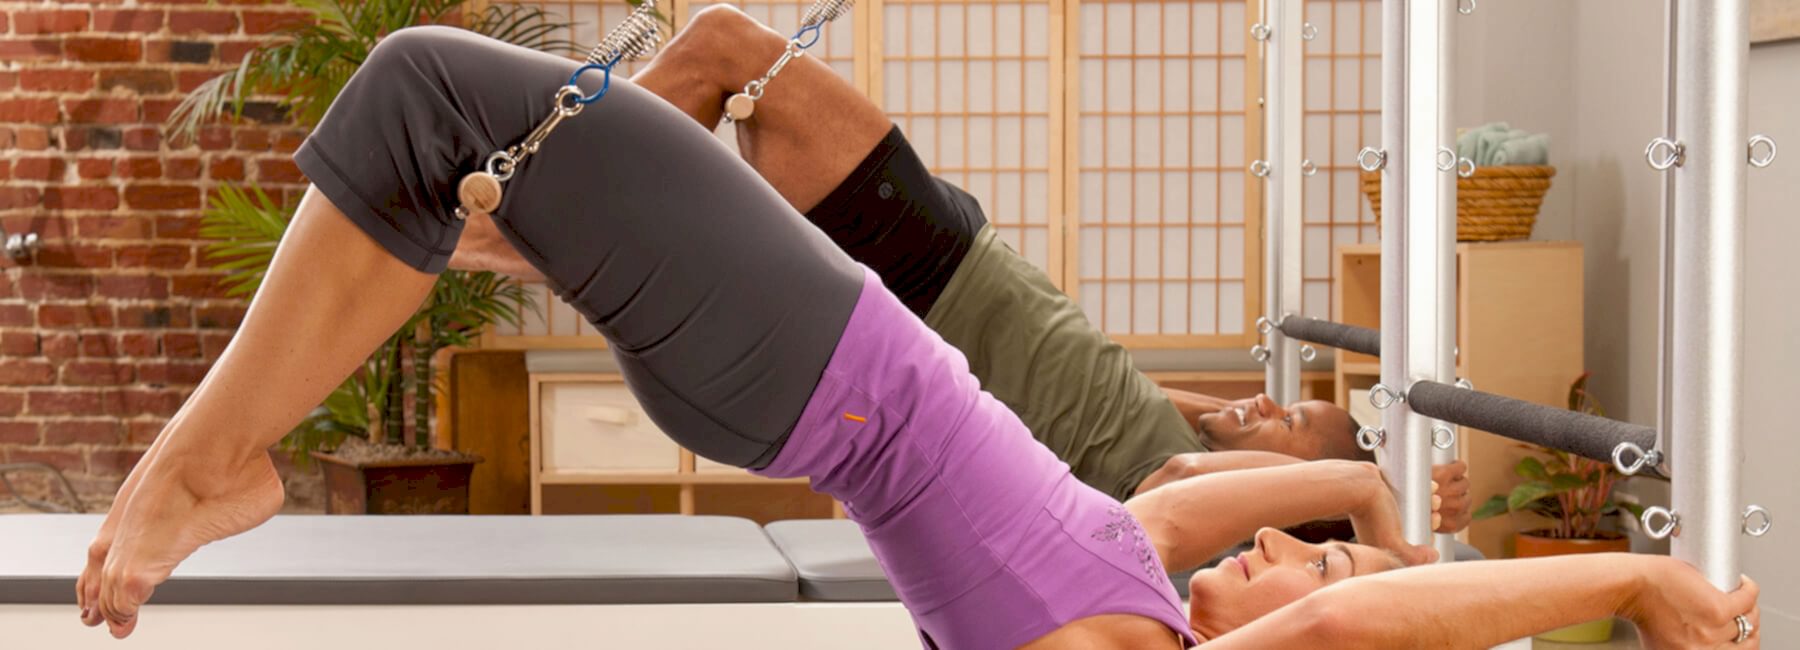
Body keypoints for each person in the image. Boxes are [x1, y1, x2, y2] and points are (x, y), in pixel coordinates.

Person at [78, 25, 1759, 649]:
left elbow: (1355, 621)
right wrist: (1372, 507)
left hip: (820, 360)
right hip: (789, 381)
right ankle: (239, 452)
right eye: (1305, 550)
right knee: (448, 159)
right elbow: (1266, 513)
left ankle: (207, 466)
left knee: (428, 92)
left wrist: (1629, 578)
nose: (1286, 560)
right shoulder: (1129, 558)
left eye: (1304, 577)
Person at [457, 5, 1473, 532]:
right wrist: (1265, 424)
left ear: (1291, 492)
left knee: (730, 48)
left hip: (932, 272)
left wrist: (1392, 495)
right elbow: (1191, 415)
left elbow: (1249, 507)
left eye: (1287, 425)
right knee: (713, 148)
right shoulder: (1164, 425)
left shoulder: (1183, 488)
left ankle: (529, 210)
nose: (1266, 404)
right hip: (932, 269)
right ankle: (532, 224)